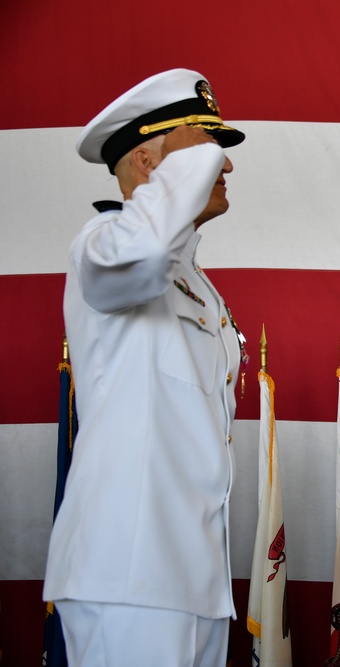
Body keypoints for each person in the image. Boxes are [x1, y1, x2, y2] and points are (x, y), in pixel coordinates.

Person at [43, 69, 247, 667]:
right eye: (207, 150)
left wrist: (188, 147)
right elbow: (144, 248)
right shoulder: (103, 245)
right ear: (150, 165)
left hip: (194, 576)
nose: (224, 167)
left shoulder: (197, 284)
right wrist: (183, 157)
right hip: (128, 574)